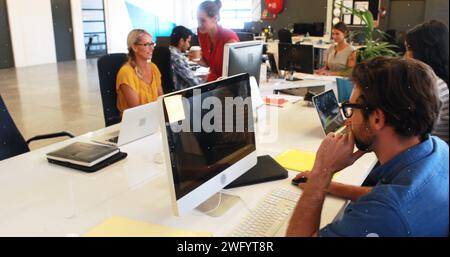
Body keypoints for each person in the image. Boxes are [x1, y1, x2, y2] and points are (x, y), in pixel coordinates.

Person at [287, 57, 449, 237]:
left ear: (377, 119)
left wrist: (321, 173)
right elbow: (387, 194)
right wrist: (330, 186)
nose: (348, 120)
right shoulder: (438, 150)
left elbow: (387, 205)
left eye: (351, 109)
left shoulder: (384, 216)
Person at [405, 20, 449, 143]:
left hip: (430, 153)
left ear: (424, 52)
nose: (405, 55)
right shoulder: (439, 81)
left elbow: (408, 131)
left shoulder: (431, 86)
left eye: (408, 48)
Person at [116, 29, 163, 115]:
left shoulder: (153, 67)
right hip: (136, 123)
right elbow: (138, 111)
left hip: (154, 118)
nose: (152, 48)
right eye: (147, 44)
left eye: (152, 44)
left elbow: (161, 100)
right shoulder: (126, 73)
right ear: (134, 47)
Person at [195, 0, 239, 82]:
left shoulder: (229, 38)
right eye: (197, 20)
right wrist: (197, 59)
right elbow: (209, 63)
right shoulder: (202, 33)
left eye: (202, 20)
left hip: (227, 88)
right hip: (212, 84)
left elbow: (233, 76)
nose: (199, 24)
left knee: (196, 92)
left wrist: (209, 77)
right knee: (192, 92)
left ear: (215, 18)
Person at [169, 26, 201, 90]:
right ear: (181, 41)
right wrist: (207, 80)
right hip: (183, 94)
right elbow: (194, 82)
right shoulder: (176, 57)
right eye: (188, 41)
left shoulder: (169, 51)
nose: (189, 45)